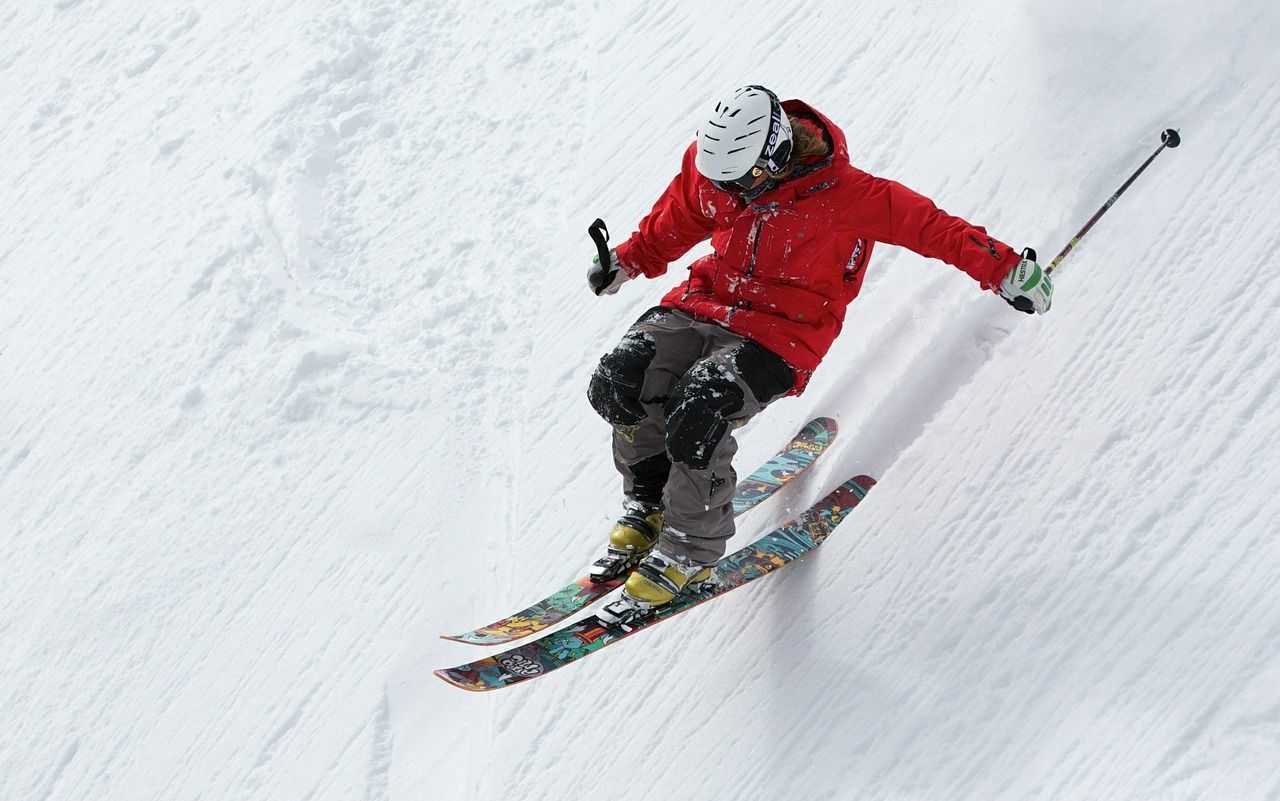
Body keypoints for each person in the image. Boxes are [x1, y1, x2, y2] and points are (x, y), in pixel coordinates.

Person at [584, 85, 1053, 625]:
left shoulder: (851, 196)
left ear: (777, 151)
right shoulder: (716, 169)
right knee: (619, 381)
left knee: (698, 411)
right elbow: (684, 213)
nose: (731, 192)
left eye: (741, 181)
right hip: (707, 303)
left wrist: (1004, 268)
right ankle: (650, 503)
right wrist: (629, 259)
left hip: (782, 333)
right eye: (721, 181)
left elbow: (934, 229)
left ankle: (689, 547)